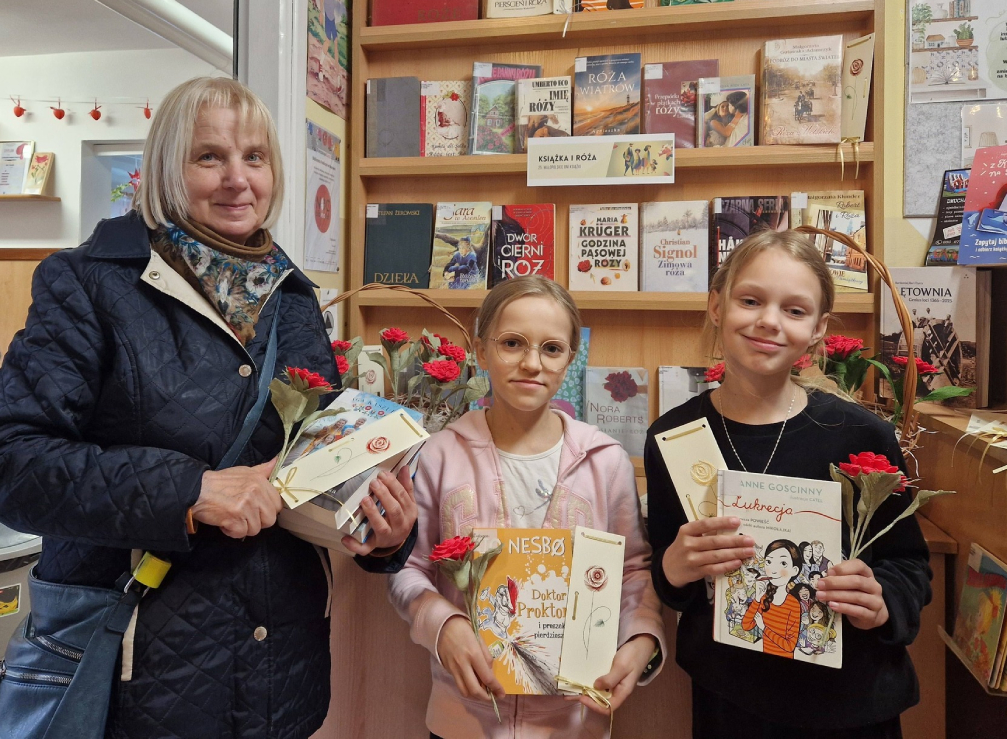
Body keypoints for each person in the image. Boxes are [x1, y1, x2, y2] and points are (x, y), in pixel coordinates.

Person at [0, 77, 418, 739]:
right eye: (209, 157)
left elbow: (310, 464)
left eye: (254, 157)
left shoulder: (292, 298)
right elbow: (16, 466)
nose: (237, 179)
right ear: (169, 166)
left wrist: (384, 534)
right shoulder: (87, 284)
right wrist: (188, 491)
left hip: (281, 682)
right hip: (131, 684)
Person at [644, 229, 932, 738]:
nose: (769, 321)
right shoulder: (673, 436)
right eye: (750, 300)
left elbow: (909, 564)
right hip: (731, 700)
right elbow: (672, 577)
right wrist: (674, 566)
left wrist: (881, 598)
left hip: (851, 704)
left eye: (794, 311)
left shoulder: (862, 435)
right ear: (716, 306)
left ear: (818, 329)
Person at [387, 276, 665, 739]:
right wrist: (443, 624)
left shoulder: (606, 462)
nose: (532, 363)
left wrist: (639, 639)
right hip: (463, 721)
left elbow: (633, 569)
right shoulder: (438, 455)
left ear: (570, 359)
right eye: (512, 343)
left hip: (576, 722)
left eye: (552, 349)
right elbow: (406, 566)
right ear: (480, 349)